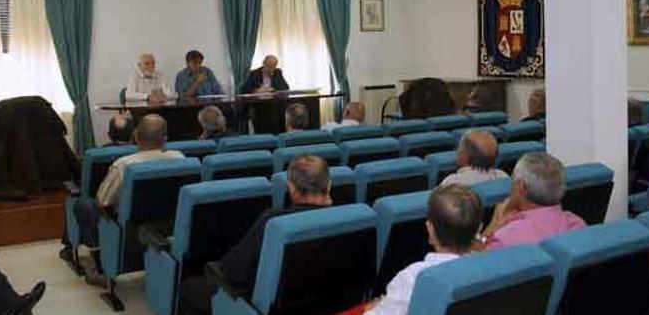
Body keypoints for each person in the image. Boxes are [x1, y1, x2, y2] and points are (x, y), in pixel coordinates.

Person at [179, 155, 332, 314]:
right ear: (328, 185)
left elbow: (231, 272)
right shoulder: (349, 221)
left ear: (291, 188)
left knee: (188, 288)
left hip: (261, 305)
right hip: (321, 303)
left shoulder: (274, 222)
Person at [73, 115, 184, 279]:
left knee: (83, 204)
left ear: (136, 137)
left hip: (130, 230)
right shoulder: (180, 158)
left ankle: (99, 263)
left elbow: (103, 201)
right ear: (165, 139)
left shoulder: (124, 165)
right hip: (168, 224)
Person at [366, 184, 482, 315]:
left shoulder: (413, 277)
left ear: (430, 229)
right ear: (478, 229)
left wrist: (373, 309)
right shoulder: (485, 269)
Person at [481, 152, 585, 250]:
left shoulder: (503, 239)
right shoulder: (577, 225)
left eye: (512, 180)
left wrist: (490, 230)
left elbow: (476, 264)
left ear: (520, 187)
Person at [440, 130, 508, 186]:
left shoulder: (452, 182)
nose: (457, 152)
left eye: (459, 148)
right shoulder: (503, 176)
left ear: (464, 157)